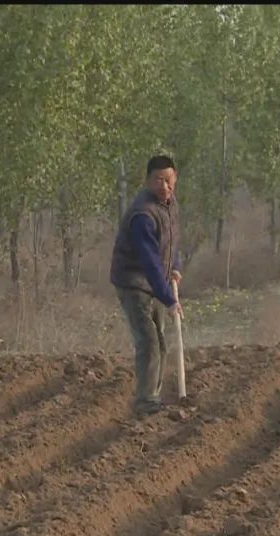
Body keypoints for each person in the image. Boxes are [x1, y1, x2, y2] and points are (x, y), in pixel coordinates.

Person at [109, 155, 183, 415]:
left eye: (168, 180)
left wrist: (175, 266)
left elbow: (171, 239)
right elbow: (150, 261)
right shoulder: (143, 215)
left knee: (161, 341)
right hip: (133, 283)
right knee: (149, 341)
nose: (164, 186)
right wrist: (169, 299)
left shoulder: (170, 204)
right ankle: (145, 402)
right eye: (158, 180)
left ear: (175, 180)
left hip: (155, 282)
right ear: (147, 181)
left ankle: (153, 397)